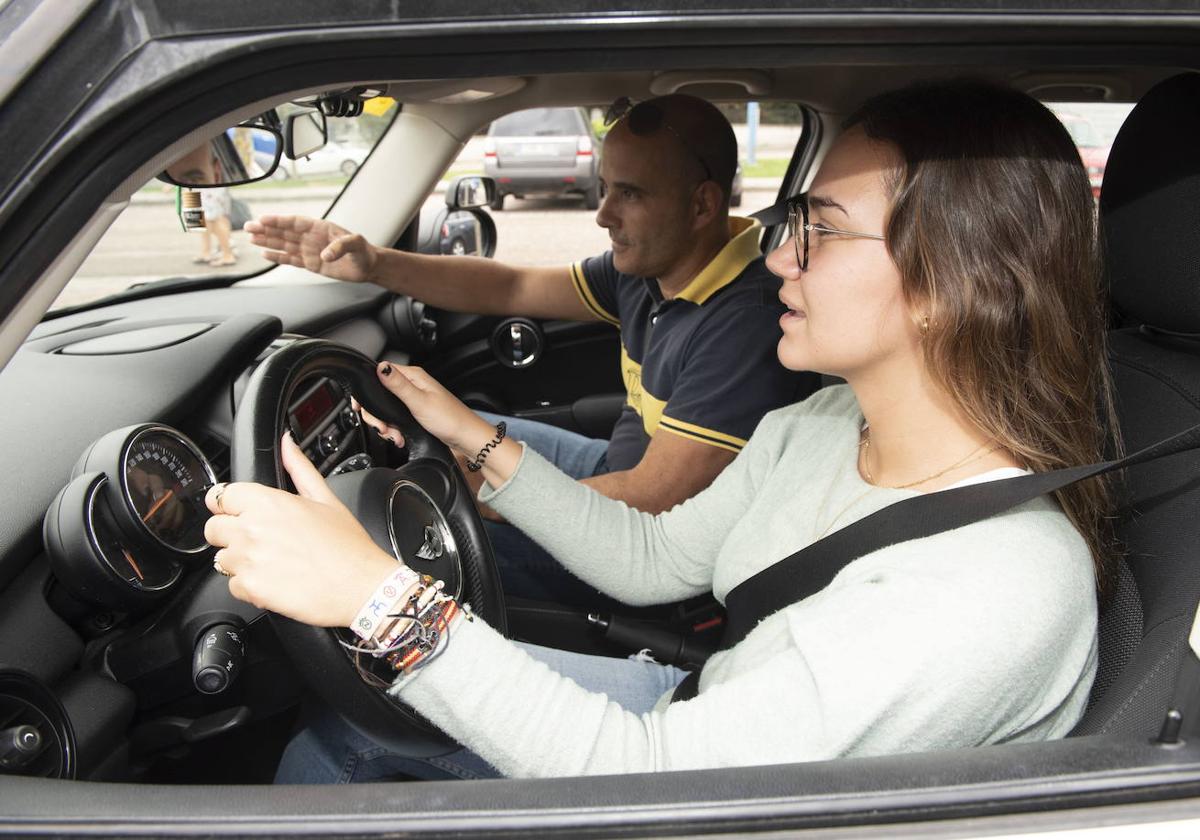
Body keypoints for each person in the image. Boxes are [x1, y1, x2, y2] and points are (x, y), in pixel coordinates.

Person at [205, 78, 1117, 780]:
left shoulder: (994, 587)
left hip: (682, 769)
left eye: (821, 230)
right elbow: (655, 559)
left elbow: (655, 776)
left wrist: (378, 601)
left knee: (348, 746)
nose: (774, 253)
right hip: (703, 713)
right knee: (354, 723)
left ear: (954, 286)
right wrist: (478, 440)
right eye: (789, 220)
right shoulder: (829, 422)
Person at [244, 94, 816, 606]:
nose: (602, 215)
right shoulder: (649, 270)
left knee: (423, 534)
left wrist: (483, 495)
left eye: (630, 194)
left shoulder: (746, 321)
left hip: (644, 545)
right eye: (605, 187)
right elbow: (511, 287)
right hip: (613, 469)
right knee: (443, 432)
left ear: (701, 205)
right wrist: (377, 265)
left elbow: (651, 498)